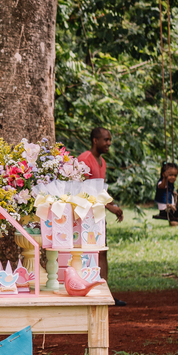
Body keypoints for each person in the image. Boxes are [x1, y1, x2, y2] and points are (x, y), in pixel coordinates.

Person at [77, 127, 124, 303]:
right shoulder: (84, 160)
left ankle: (104, 291)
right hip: (84, 214)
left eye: (110, 140)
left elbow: (99, 191)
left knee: (102, 252)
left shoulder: (102, 162)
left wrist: (111, 205)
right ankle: (84, 289)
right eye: (105, 139)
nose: (109, 143)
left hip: (98, 214)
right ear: (95, 140)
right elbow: (80, 189)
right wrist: (109, 206)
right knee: (85, 253)